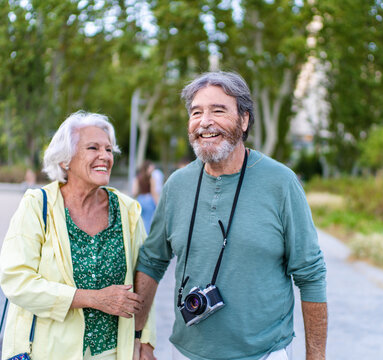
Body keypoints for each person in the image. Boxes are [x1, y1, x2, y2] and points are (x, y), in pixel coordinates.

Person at [134, 71, 327, 360]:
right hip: (185, 353)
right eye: (196, 112)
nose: (205, 122)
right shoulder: (176, 185)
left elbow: (310, 274)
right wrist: (139, 338)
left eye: (218, 110)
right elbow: (151, 261)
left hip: (264, 354)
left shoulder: (281, 183)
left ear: (244, 119)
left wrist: (316, 357)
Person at [0, 111, 155, 360]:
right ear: (65, 161)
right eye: (93, 148)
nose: (105, 156)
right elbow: (17, 281)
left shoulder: (128, 211)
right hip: (48, 351)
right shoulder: (37, 205)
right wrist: (93, 298)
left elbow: (145, 278)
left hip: (115, 353)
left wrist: (145, 340)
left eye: (108, 149)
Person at [132, 161, 160, 234]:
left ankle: (140, 238)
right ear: (147, 168)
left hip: (140, 200)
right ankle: (146, 239)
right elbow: (154, 192)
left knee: (140, 221)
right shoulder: (151, 178)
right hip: (149, 200)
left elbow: (134, 192)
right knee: (148, 222)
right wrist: (158, 204)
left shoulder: (137, 178)